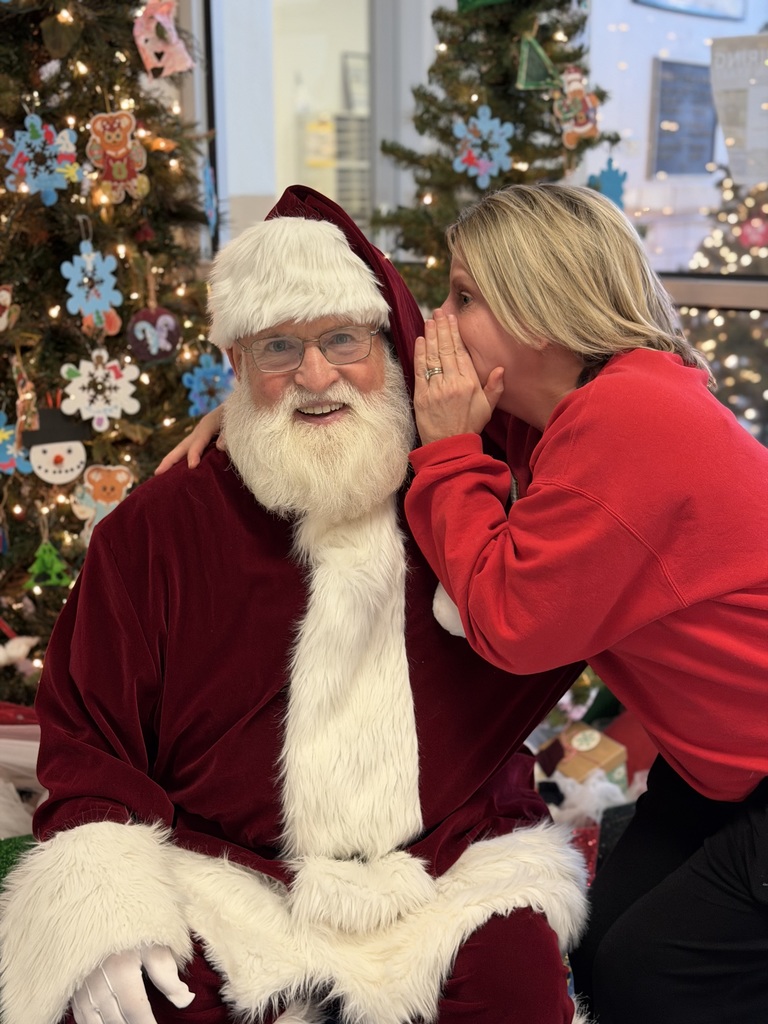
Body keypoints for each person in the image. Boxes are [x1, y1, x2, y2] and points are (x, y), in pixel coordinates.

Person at [0, 185, 590, 1024]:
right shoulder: (158, 527)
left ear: (388, 343)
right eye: (279, 347)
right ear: (237, 364)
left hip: (445, 867)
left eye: (343, 339)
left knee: (520, 992)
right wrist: (104, 902)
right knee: (146, 1000)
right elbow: (88, 732)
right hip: (229, 877)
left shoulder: (466, 477)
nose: (317, 377)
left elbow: (570, 512)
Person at [399, 182, 768, 1024]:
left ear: (540, 312)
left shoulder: (629, 420)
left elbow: (511, 623)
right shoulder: (594, 403)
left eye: (464, 297)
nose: (438, 321)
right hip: (723, 772)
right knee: (597, 945)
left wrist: (450, 451)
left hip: (755, 774)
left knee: (651, 973)